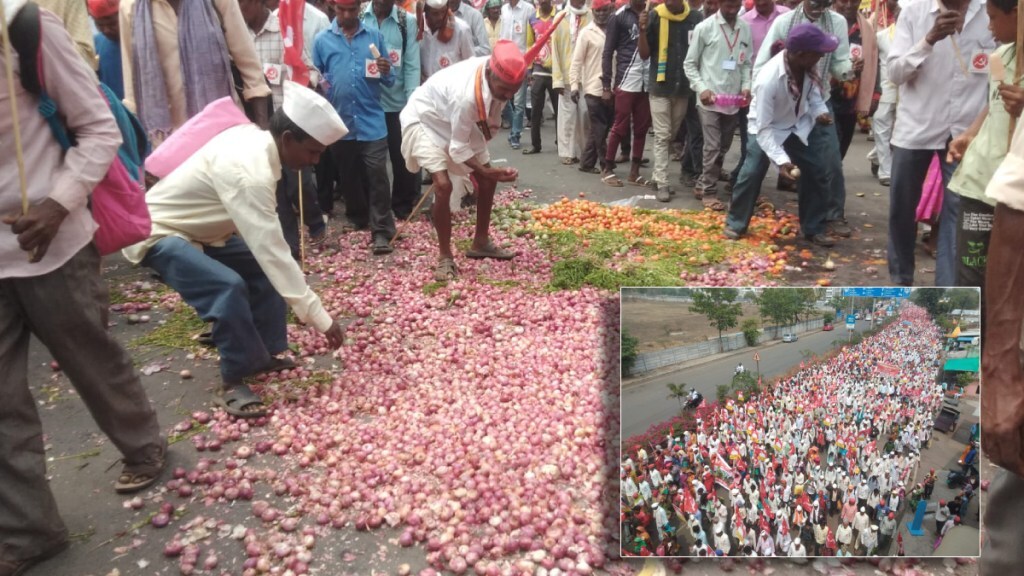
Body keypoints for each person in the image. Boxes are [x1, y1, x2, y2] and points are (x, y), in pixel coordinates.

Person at [1, 6, 165, 573]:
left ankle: (144, 443)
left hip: (54, 239)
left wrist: (58, 202)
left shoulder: (23, 28)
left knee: (90, 356)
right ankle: (28, 530)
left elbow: (100, 127)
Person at [123, 82, 346, 416]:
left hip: (204, 231)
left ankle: (265, 352)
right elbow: (272, 250)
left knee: (261, 271)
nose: (314, 161)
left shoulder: (256, 141)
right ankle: (233, 379)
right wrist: (320, 318)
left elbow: (268, 255)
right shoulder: (249, 172)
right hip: (161, 232)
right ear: (287, 140)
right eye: (312, 152)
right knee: (226, 287)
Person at [400, 41, 533, 281]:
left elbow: (484, 125)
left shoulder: (497, 80)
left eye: (513, 90)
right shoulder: (466, 96)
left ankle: (480, 242)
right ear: (491, 74)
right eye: (504, 90)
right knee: (443, 185)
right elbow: (458, 146)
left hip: (453, 118)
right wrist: (483, 169)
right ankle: (445, 257)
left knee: (488, 179)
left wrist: (486, 172)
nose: (508, 96)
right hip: (425, 117)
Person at [886, 0, 993, 286]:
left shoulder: (990, 12)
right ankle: (901, 278)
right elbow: (895, 73)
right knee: (902, 205)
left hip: (965, 133)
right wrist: (929, 39)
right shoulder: (914, 13)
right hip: (917, 126)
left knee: (957, 212)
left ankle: (947, 290)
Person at [722, 23, 837, 247]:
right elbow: (764, 129)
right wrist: (782, 160)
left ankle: (814, 227)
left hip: (796, 124)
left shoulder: (806, 68)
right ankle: (735, 223)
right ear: (802, 54)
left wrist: (820, 111)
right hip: (767, 128)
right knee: (752, 172)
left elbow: (812, 94)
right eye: (818, 53)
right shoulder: (768, 79)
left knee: (817, 170)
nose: (821, 57)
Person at [755, 0, 856, 240]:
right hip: (780, 102)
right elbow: (760, 64)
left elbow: (840, 61)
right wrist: (759, 101)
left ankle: (826, 218)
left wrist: (848, 71)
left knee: (827, 162)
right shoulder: (784, 22)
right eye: (816, 2)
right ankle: (738, 221)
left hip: (818, 101)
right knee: (754, 165)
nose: (820, 7)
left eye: (826, 3)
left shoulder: (837, 22)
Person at [239, 0, 327, 259]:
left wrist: (299, 80)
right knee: (275, 190)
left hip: (288, 126)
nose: (238, 9)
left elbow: (310, 71)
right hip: (257, 128)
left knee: (298, 184)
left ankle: (316, 224)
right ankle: (290, 246)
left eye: (242, 3)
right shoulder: (236, 33)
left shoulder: (284, 29)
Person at [945, 0, 1023, 290]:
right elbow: (993, 105)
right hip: (979, 185)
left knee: (1006, 282)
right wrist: (970, 135)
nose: (989, 26)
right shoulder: (1000, 56)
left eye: (992, 17)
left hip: (1015, 192)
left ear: (1017, 14)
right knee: (971, 274)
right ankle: (976, 334)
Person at [119, 0, 273, 144]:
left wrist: (260, 140)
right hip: (167, 145)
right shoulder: (130, 6)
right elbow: (132, 94)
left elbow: (252, 73)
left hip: (224, 138)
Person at [314, 0, 399, 254]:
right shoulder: (322, 40)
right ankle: (360, 217)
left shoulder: (374, 36)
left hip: (371, 120)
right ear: (333, 9)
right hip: (340, 123)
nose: (347, 15)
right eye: (342, 10)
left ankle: (382, 230)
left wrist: (386, 69)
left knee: (378, 176)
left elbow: (390, 78)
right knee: (348, 177)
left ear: (359, 9)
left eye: (352, 10)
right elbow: (316, 77)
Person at [684, 0, 750, 208]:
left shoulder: (744, 28)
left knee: (723, 145)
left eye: (735, 5)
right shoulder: (705, 28)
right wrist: (701, 88)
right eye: (728, 5)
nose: (732, 9)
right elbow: (690, 63)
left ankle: (703, 182)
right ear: (720, 3)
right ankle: (709, 193)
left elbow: (746, 63)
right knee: (712, 146)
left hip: (733, 100)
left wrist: (747, 86)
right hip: (709, 99)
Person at [361, 0, 422, 220]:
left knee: (402, 157)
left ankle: (402, 205)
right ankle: (375, 207)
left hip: (398, 104)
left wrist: (411, 104)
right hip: (368, 104)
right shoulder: (360, 17)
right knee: (371, 161)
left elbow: (412, 64)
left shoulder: (407, 22)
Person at [640, 0, 702, 199]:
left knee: (671, 134)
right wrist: (642, 30)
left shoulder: (694, 18)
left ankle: (658, 176)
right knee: (663, 135)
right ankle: (663, 184)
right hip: (659, 86)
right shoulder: (654, 16)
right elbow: (644, 54)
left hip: (683, 87)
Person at [731, 0, 789, 188]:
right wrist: (745, 86)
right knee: (752, 142)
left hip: (785, 88)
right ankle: (741, 184)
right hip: (753, 88)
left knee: (784, 135)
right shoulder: (744, 21)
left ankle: (783, 177)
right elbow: (741, 57)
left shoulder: (786, 17)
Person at [601, 0, 653, 187]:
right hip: (626, 78)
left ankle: (635, 172)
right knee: (620, 125)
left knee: (641, 127)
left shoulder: (652, 14)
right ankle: (607, 168)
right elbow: (607, 52)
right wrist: (606, 86)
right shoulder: (618, 16)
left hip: (647, 79)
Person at [570, 0, 614, 175]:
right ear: (592, 12)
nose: (601, 14)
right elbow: (577, 62)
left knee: (603, 128)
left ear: (609, 9)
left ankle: (586, 162)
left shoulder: (615, 29)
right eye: (598, 11)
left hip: (612, 87)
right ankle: (605, 165)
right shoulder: (586, 33)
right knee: (600, 127)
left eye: (604, 10)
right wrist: (574, 86)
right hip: (593, 88)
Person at [551, 0, 592, 165]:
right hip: (566, 75)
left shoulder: (591, 16)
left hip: (586, 75)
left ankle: (585, 152)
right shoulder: (560, 18)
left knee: (585, 115)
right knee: (567, 117)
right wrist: (558, 80)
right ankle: (567, 152)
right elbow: (555, 49)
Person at [523, 0, 560, 155]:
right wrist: (529, 70)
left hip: (556, 71)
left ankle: (561, 144)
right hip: (538, 70)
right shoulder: (532, 19)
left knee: (560, 112)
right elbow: (530, 45)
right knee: (536, 112)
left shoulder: (558, 16)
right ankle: (535, 145)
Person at [499, 0, 536, 149]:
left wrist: (530, 66)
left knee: (519, 102)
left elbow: (532, 38)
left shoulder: (528, 9)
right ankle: (514, 127)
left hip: (522, 62)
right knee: (503, 98)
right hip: (505, 61)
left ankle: (515, 134)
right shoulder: (504, 9)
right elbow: (502, 36)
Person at [871, 0, 898, 187]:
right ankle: (885, 171)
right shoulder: (881, 37)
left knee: (898, 131)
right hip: (886, 87)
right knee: (882, 126)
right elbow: (873, 66)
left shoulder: (921, 37)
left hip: (909, 91)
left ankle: (875, 156)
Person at [421, 0, 475, 78]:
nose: (440, 17)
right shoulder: (417, 25)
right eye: (435, 14)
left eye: (443, 12)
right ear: (426, 13)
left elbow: (471, 65)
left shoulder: (461, 30)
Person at [88, 0, 124, 99]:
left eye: (112, 24)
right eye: (100, 26)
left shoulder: (142, 43)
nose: (106, 30)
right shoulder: (95, 44)